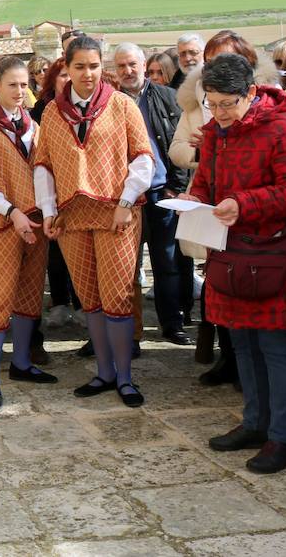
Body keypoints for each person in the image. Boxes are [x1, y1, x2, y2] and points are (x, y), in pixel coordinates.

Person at [185, 54, 286, 474]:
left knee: (275, 348)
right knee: (242, 343)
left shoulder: (283, 128)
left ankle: (283, 439)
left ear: (250, 93)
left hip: (272, 254)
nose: (221, 114)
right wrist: (194, 198)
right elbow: (206, 181)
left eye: (228, 104)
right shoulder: (215, 132)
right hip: (228, 250)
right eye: (213, 104)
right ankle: (254, 422)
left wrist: (243, 204)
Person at [37, 36, 154, 407]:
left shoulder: (122, 106)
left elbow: (143, 158)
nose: (88, 74)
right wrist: (48, 210)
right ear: (66, 69)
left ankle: (124, 377)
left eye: (93, 66)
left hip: (116, 213)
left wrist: (126, 201)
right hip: (72, 216)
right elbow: (44, 165)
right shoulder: (53, 113)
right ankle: (103, 372)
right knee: (90, 298)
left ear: (102, 66)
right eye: (79, 67)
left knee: (118, 296)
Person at [169, 30, 276, 385]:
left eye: (226, 57)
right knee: (218, 282)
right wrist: (203, 151)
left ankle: (253, 372)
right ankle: (229, 357)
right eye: (212, 59)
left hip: (254, 218)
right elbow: (178, 149)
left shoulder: (269, 111)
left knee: (250, 296)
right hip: (210, 200)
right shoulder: (197, 102)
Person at [0, 56, 59, 411]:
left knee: (29, 294)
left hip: (34, 221)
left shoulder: (34, 126)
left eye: (25, 85)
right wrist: (13, 211)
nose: (20, 91)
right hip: (1, 224)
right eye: (12, 85)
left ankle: (21, 363)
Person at [112, 43, 191, 345]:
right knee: (125, 268)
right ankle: (129, 332)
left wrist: (177, 185)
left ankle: (172, 324)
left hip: (161, 192)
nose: (127, 71)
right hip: (125, 198)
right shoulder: (110, 103)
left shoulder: (168, 97)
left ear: (144, 64)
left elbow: (179, 143)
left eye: (132, 64)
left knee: (166, 263)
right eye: (121, 66)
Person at [35, 59, 81, 331]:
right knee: (56, 252)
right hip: (53, 189)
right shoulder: (43, 109)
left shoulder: (84, 108)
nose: (67, 79)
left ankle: (83, 304)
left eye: (69, 74)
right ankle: (61, 302)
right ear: (52, 80)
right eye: (61, 75)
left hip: (79, 194)